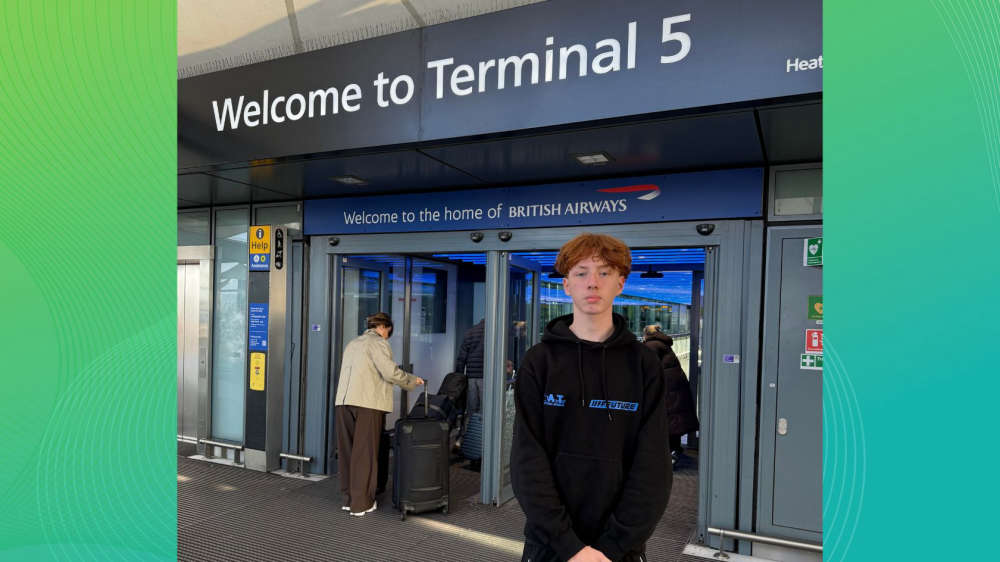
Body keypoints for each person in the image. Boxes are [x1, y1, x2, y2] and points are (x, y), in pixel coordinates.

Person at [511, 233, 671, 562]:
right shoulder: (539, 362)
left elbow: (653, 466)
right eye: (581, 272)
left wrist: (612, 546)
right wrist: (569, 546)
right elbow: (527, 461)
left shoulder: (644, 364)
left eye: (604, 272)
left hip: (620, 551)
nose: (592, 283)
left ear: (620, 283)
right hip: (549, 546)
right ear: (567, 285)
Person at [335, 312, 424, 516]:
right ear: (383, 327)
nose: (387, 337)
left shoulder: (353, 343)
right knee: (365, 454)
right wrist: (412, 380)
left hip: (343, 403)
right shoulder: (378, 343)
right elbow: (390, 372)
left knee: (348, 452)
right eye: (388, 333)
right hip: (367, 403)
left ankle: (349, 499)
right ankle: (361, 504)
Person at [642, 325, 700, 462]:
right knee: (674, 419)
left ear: (646, 334)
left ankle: (670, 453)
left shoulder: (652, 345)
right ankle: (674, 449)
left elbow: (647, 368)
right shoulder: (663, 343)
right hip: (674, 386)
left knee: (668, 419)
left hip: (667, 388)